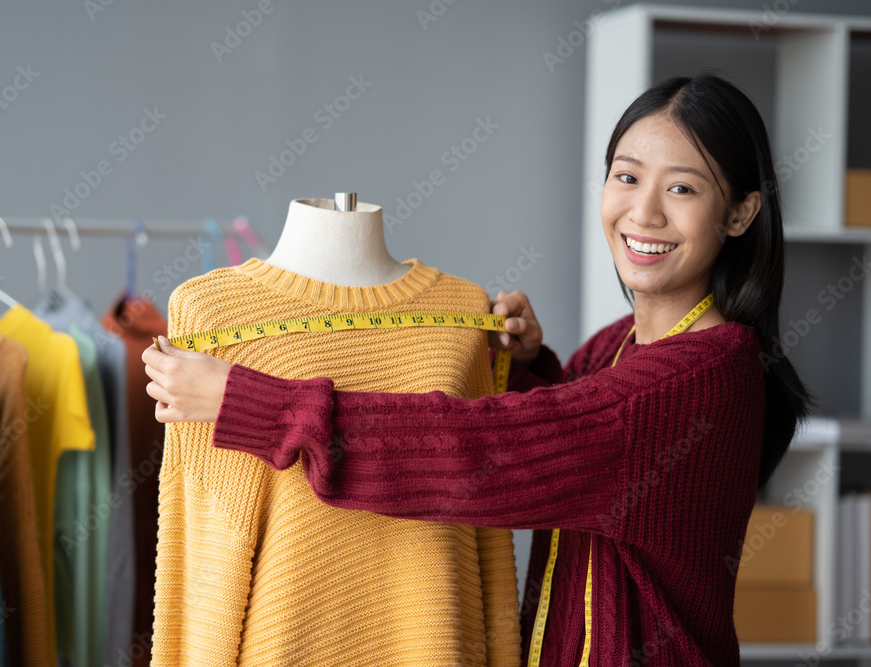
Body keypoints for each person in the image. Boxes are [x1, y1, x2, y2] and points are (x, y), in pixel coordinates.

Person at [143, 74, 811, 666]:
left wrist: (256, 404)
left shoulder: (701, 377)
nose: (643, 212)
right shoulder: (623, 344)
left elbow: (488, 451)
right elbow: (584, 444)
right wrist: (527, 369)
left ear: (741, 213)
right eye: (627, 176)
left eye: (684, 188)